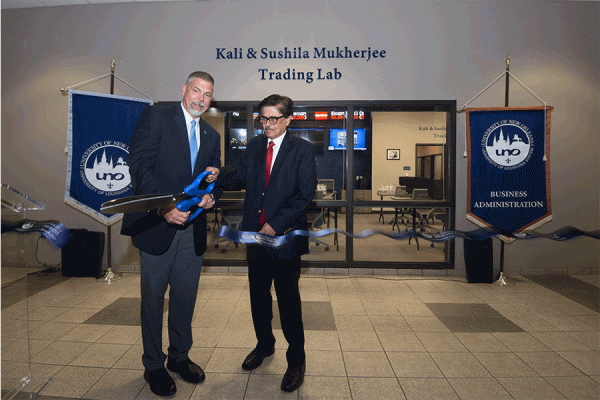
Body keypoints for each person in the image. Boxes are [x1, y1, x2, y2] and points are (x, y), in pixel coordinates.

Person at [121, 71, 222, 397]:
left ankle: (179, 357)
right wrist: (164, 207)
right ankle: (153, 365)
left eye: (207, 95)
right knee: (152, 299)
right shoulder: (157, 116)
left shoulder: (211, 135)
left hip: (191, 230)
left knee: (185, 297)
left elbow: (211, 177)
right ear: (184, 89)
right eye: (196, 90)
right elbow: (139, 165)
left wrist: (210, 196)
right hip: (156, 226)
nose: (200, 99)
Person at [207, 94, 316, 392]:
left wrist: (275, 224)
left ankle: (296, 360)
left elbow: (304, 195)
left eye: (273, 119)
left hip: (285, 239)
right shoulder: (256, 145)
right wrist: (218, 174)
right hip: (254, 238)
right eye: (263, 118)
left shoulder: (302, 151)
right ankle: (265, 345)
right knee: (258, 297)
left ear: (288, 119)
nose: (266, 124)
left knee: (288, 301)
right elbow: (239, 172)